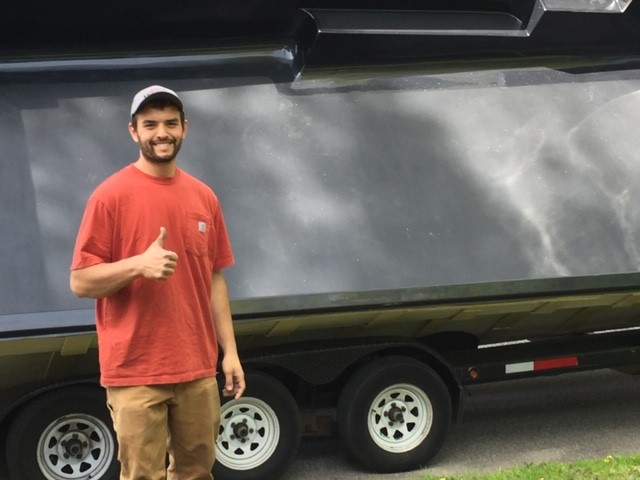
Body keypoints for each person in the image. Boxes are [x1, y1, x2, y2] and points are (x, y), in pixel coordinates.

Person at [70, 85, 245, 480]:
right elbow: (80, 282)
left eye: (170, 123)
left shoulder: (204, 197)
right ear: (133, 131)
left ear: (185, 127)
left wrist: (229, 353)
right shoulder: (109, 197)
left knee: (197, 473)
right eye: (150, 124)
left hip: (197, 368)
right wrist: (138, 265)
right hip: (135, 371)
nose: (161, 133)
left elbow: (214, 279)